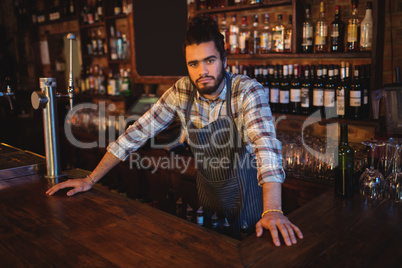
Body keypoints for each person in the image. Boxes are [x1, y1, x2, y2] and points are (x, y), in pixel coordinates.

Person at [47, 15, 303, 246]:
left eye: (210, 61)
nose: (202, 71)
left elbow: (266, 147)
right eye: (193, 64)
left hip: (253, 209)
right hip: (210, 207)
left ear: (224, 60)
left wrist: (273, 211)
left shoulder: (247, 91)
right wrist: (90, 180)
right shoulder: (182, 91)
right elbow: (136, 134)